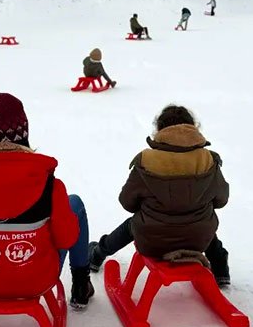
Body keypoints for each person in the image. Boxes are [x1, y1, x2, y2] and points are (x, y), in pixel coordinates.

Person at [0, 93, 95, 309]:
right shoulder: (48, 183)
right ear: (24, 134)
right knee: (74, 204)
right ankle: (81, 284)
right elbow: (66, 239)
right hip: (36, 279)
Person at [88, 104, 231, 286]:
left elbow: (127, 202)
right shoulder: (208, 160)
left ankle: (97, 254)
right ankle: (220, 270)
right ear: (193, 127)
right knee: (201, 223)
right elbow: (221, 200)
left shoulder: (147, 160)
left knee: (134, 224)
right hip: (198, 242)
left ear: (160, 129)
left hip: (153, 242)